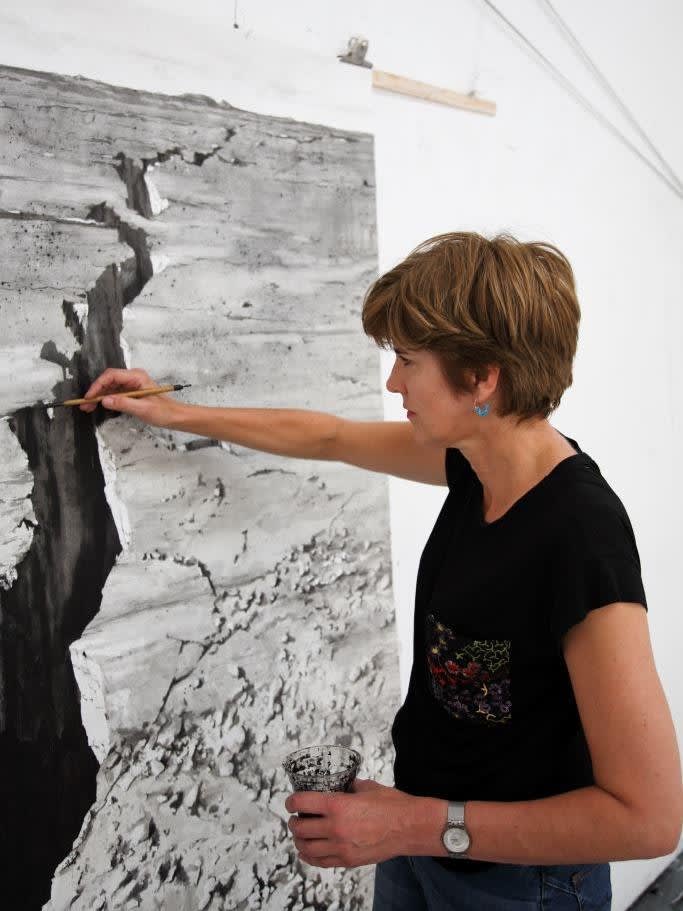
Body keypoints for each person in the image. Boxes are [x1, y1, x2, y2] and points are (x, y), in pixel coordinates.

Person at [81, 231, 682, 911]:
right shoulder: (471, 460)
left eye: (406, 359)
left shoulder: (580, 536)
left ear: (481, 377)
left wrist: (408, 822)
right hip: (424, 847)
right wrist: (170, 411)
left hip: (522, 887)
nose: (393, 381)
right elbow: (326, 436)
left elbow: (648, 816)